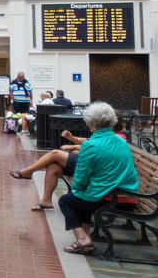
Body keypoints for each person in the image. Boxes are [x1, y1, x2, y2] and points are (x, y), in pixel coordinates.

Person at [55, 102, 138, 254]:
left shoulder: (91, 145)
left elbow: (80, 180)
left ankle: (82, 239)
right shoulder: (121, 141)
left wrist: (77, 190)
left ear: (90, 123)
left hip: (111, 198)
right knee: (82, 198)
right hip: (129, 195)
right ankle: (87, 240)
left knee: (66, 201)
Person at [11, 113, 130, 211]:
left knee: (55, 154)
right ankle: (46, 201)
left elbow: (95, 149)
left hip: (94, 168)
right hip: (93, 165)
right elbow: (90, 143)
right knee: (53, 167)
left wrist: (74, 147)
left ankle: (28, 171)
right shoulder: (107, 135)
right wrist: (73, 142)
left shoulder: (118, 137)